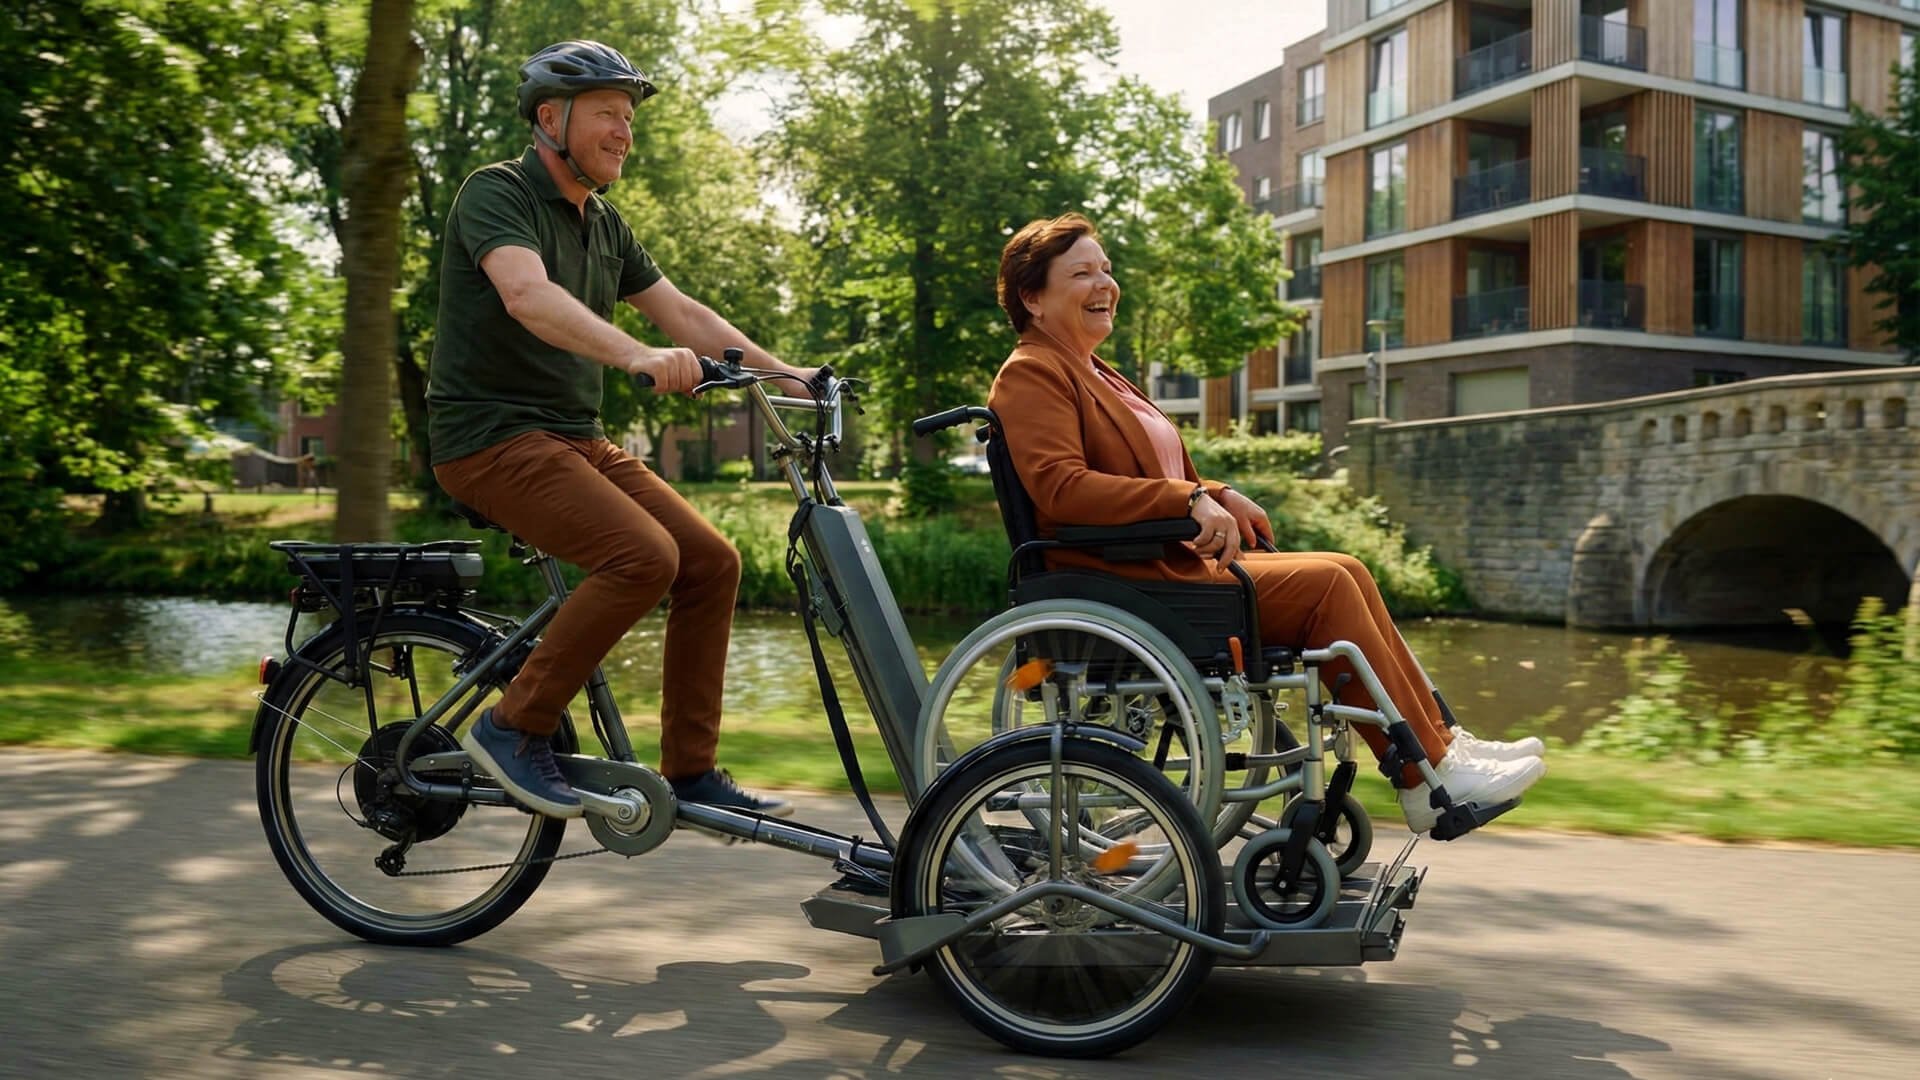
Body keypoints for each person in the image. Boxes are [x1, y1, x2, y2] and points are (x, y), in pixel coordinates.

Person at [986, 213, 1546, 834]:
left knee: (1346, 568)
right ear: (1033, 298)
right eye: (1082, 273)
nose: (1105, 284)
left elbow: (1162, 472)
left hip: (1158, 562)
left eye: (1108, 270)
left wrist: (1217, 491)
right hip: (1120, 576)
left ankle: (1442, 743)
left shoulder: (1100, 373)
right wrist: (1187, 501)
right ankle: (1423, 776)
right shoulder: (1033, 371)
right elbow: (1063, 490)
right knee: (1328, 587)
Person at [427, 40, 814, 819]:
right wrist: (637, 354)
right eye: (607, 112)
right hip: (489, 438)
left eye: (629, 117)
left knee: (711, 562)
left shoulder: (605, 224)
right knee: (643, 558)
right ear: (549, 118)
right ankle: (511, 729)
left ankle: (691, 772)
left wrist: (790, 377)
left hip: (572, 436)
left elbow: (685, 316)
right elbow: (527, 296)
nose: (623, 132)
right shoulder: (496, 193)